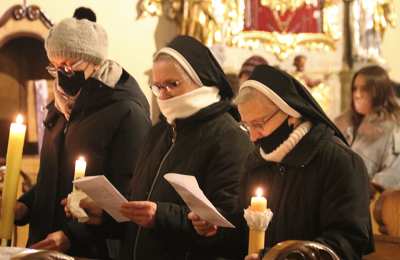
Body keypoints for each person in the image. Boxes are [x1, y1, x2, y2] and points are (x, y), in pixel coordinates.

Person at [78, 35, 253, 260]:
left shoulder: (229, 137)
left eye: (172, 84)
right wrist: (105, 216)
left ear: (201, 79)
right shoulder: (159, 131)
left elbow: (227, 223)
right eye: (158, 86)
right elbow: (138, 207)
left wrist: (160, 216)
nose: (164, 94)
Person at [189, 65, 374, 260]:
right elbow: (245, 232)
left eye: (259, 124)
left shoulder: (340, 162)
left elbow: (347, 242)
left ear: (291, 114)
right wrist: (216, 228)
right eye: (246, 125)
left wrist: (279, 257)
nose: (252, 137)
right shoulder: (257, 160)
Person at [7, 17, 151, 258]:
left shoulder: (127, 111)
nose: (62, 76)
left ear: (95, 62)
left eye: (68, 66)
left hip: (93, 250)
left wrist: (72, 236)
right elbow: (51, 178)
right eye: (55, 67)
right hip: (47, 244)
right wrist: (25, 207)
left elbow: (128, 196)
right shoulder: (60, 106)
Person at [335, 65, 400, 189]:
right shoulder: (342, 123)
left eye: (364, 89)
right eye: (355, 88)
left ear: (379, 92)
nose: (357, 95)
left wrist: (370, 187)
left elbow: (395, 172)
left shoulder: (393, 127)